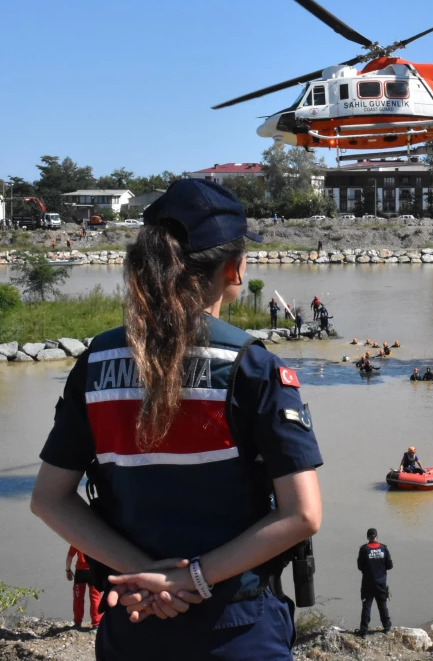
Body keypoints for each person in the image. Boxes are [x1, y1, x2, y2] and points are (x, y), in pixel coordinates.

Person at [30, 178, 323, 661]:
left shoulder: (96, 364)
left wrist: (145, 577)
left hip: (135, 621)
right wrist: (188, 579)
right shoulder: (252, 366)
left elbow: (49, 499)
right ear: (235, 268)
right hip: (238, 626)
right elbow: (302, 514)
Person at [356, 528, 393, 636]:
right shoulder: (383, 548)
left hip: (367, 583)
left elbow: (359, 566)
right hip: (381, 582)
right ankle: (387, 628)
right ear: (377, 537)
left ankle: (364, 630)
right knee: (382, 605)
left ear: (368, 537)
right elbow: (390, 566)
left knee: (366, 606)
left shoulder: (364, 549)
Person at [67, 544, 102, 630]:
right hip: (93, 571)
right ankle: (96, 623)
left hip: (80, 572)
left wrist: (68, 570)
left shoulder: (76, 540)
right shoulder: (97, 541)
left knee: (78, 598)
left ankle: (77, 622)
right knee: (95, 598)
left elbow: (69, 557)